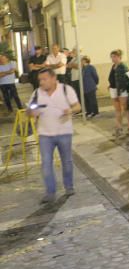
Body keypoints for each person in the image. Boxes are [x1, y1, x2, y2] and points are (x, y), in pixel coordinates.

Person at [30, 68, 81, 202]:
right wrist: (32, 112)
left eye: (44, 79)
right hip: (45, 134)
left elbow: (78, 107)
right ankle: (50, 192)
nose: (41, 82)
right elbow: (30, 110)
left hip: (64, 132)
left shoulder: (66, 89)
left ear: (53, 78)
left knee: (67, 161)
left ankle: (69, 186)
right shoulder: (37, 92)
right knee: (46, 163)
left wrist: (69, 110)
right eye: (40, 80)